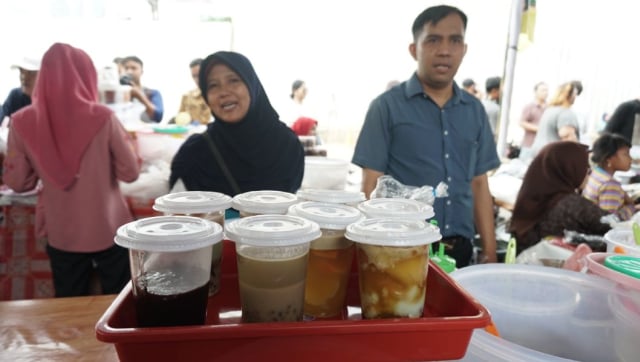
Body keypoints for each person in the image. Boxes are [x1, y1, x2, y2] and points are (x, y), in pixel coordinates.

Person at [351, 5, 500, 267]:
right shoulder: (386, 108)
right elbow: (370, 187)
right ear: (414, 49)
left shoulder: (474, 110)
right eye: (433, 40)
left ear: (464, 49)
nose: (444, 50)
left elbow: (479, 184)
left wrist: (489, 253)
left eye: (455, 40)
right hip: (402, 247)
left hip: (459, 249)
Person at [2, 43, 140, 297]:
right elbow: (130, 172)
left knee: (69, 304)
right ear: (88, 76)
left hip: (61, 232)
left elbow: (19, 182)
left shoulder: (20, 122)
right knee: (119, 304)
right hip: (110, 229)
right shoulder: (103, 117)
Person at [169, 51, 304, 196]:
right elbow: (182, 209)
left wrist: (233, 215)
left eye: (233, 80)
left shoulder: (286, 145)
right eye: (213, 85)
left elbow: (284, 204)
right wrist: (228, 217)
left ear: (251, 84)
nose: (224, 92)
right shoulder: (196, 152)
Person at [509, 142, 611, 254]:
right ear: (569, 168)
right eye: (585, 167)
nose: (588, 172)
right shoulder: (572, 205)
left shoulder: (531, 195)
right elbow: (616, 226)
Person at [583, 133, 638, 221]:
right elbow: (611, 220)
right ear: (609, 158)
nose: (630, 159)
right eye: (626, 154)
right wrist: (633, 208)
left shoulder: (596, 173)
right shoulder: (610, 184)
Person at [528, 81, 580, 160]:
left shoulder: (549, 110)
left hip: (538, 154)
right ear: (570, 96)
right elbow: (568, 137)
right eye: (575, 94)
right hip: (553, 157)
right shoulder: (566, 113)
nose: (575, 97)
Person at [121, 55, 164, 122]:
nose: (129, 71)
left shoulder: (152, 93)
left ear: (141, 72)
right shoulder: (116, 93)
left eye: (133, 68)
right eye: (126, 68)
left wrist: (139, 95)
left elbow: (158, 116)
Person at [0, 55, 41, 126]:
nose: (24, 77)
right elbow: (2, 120)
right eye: (21, 71)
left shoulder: (50, 102)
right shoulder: (15, 95)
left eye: (31, 73)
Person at [176, 58, 211, 125]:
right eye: (194, 76)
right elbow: (180, 119)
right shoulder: (186, 96)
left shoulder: (217, 95)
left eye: (199, 75)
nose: (197, 79)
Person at [519, 81, 548, 152]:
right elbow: (522, 122)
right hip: (530, 144)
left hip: (545, 145)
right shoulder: (529, 107)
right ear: (536, 92)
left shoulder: (550, 107)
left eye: (546, 90)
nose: (545, 93)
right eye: (543, 90)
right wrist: (538, 129)